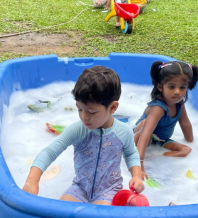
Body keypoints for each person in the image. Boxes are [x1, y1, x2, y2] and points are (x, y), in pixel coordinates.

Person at [23, 66, 144, 205]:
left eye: (91, 112)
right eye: (79, 109)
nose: (84, 117)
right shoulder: (79, 130)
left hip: (109, 191)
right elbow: (50, 152)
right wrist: (32, 179)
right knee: (61, 214)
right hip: (80, 188)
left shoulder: (123, 131)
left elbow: (131, 154)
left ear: (112, 108)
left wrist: (136, 176)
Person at [133, 61, 198, 180]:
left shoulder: (179, 103)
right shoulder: (159, 108)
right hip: (140, 135)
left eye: (182, 87)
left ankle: (157, 157)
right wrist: (140, 164)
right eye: (171, 87)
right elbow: (146, 132)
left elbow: (185, 123)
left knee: (186, 150)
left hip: (159, 139)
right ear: (160, 87)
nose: (177, 92)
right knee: (144, 125)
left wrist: (191, 140)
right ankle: (132, 154)